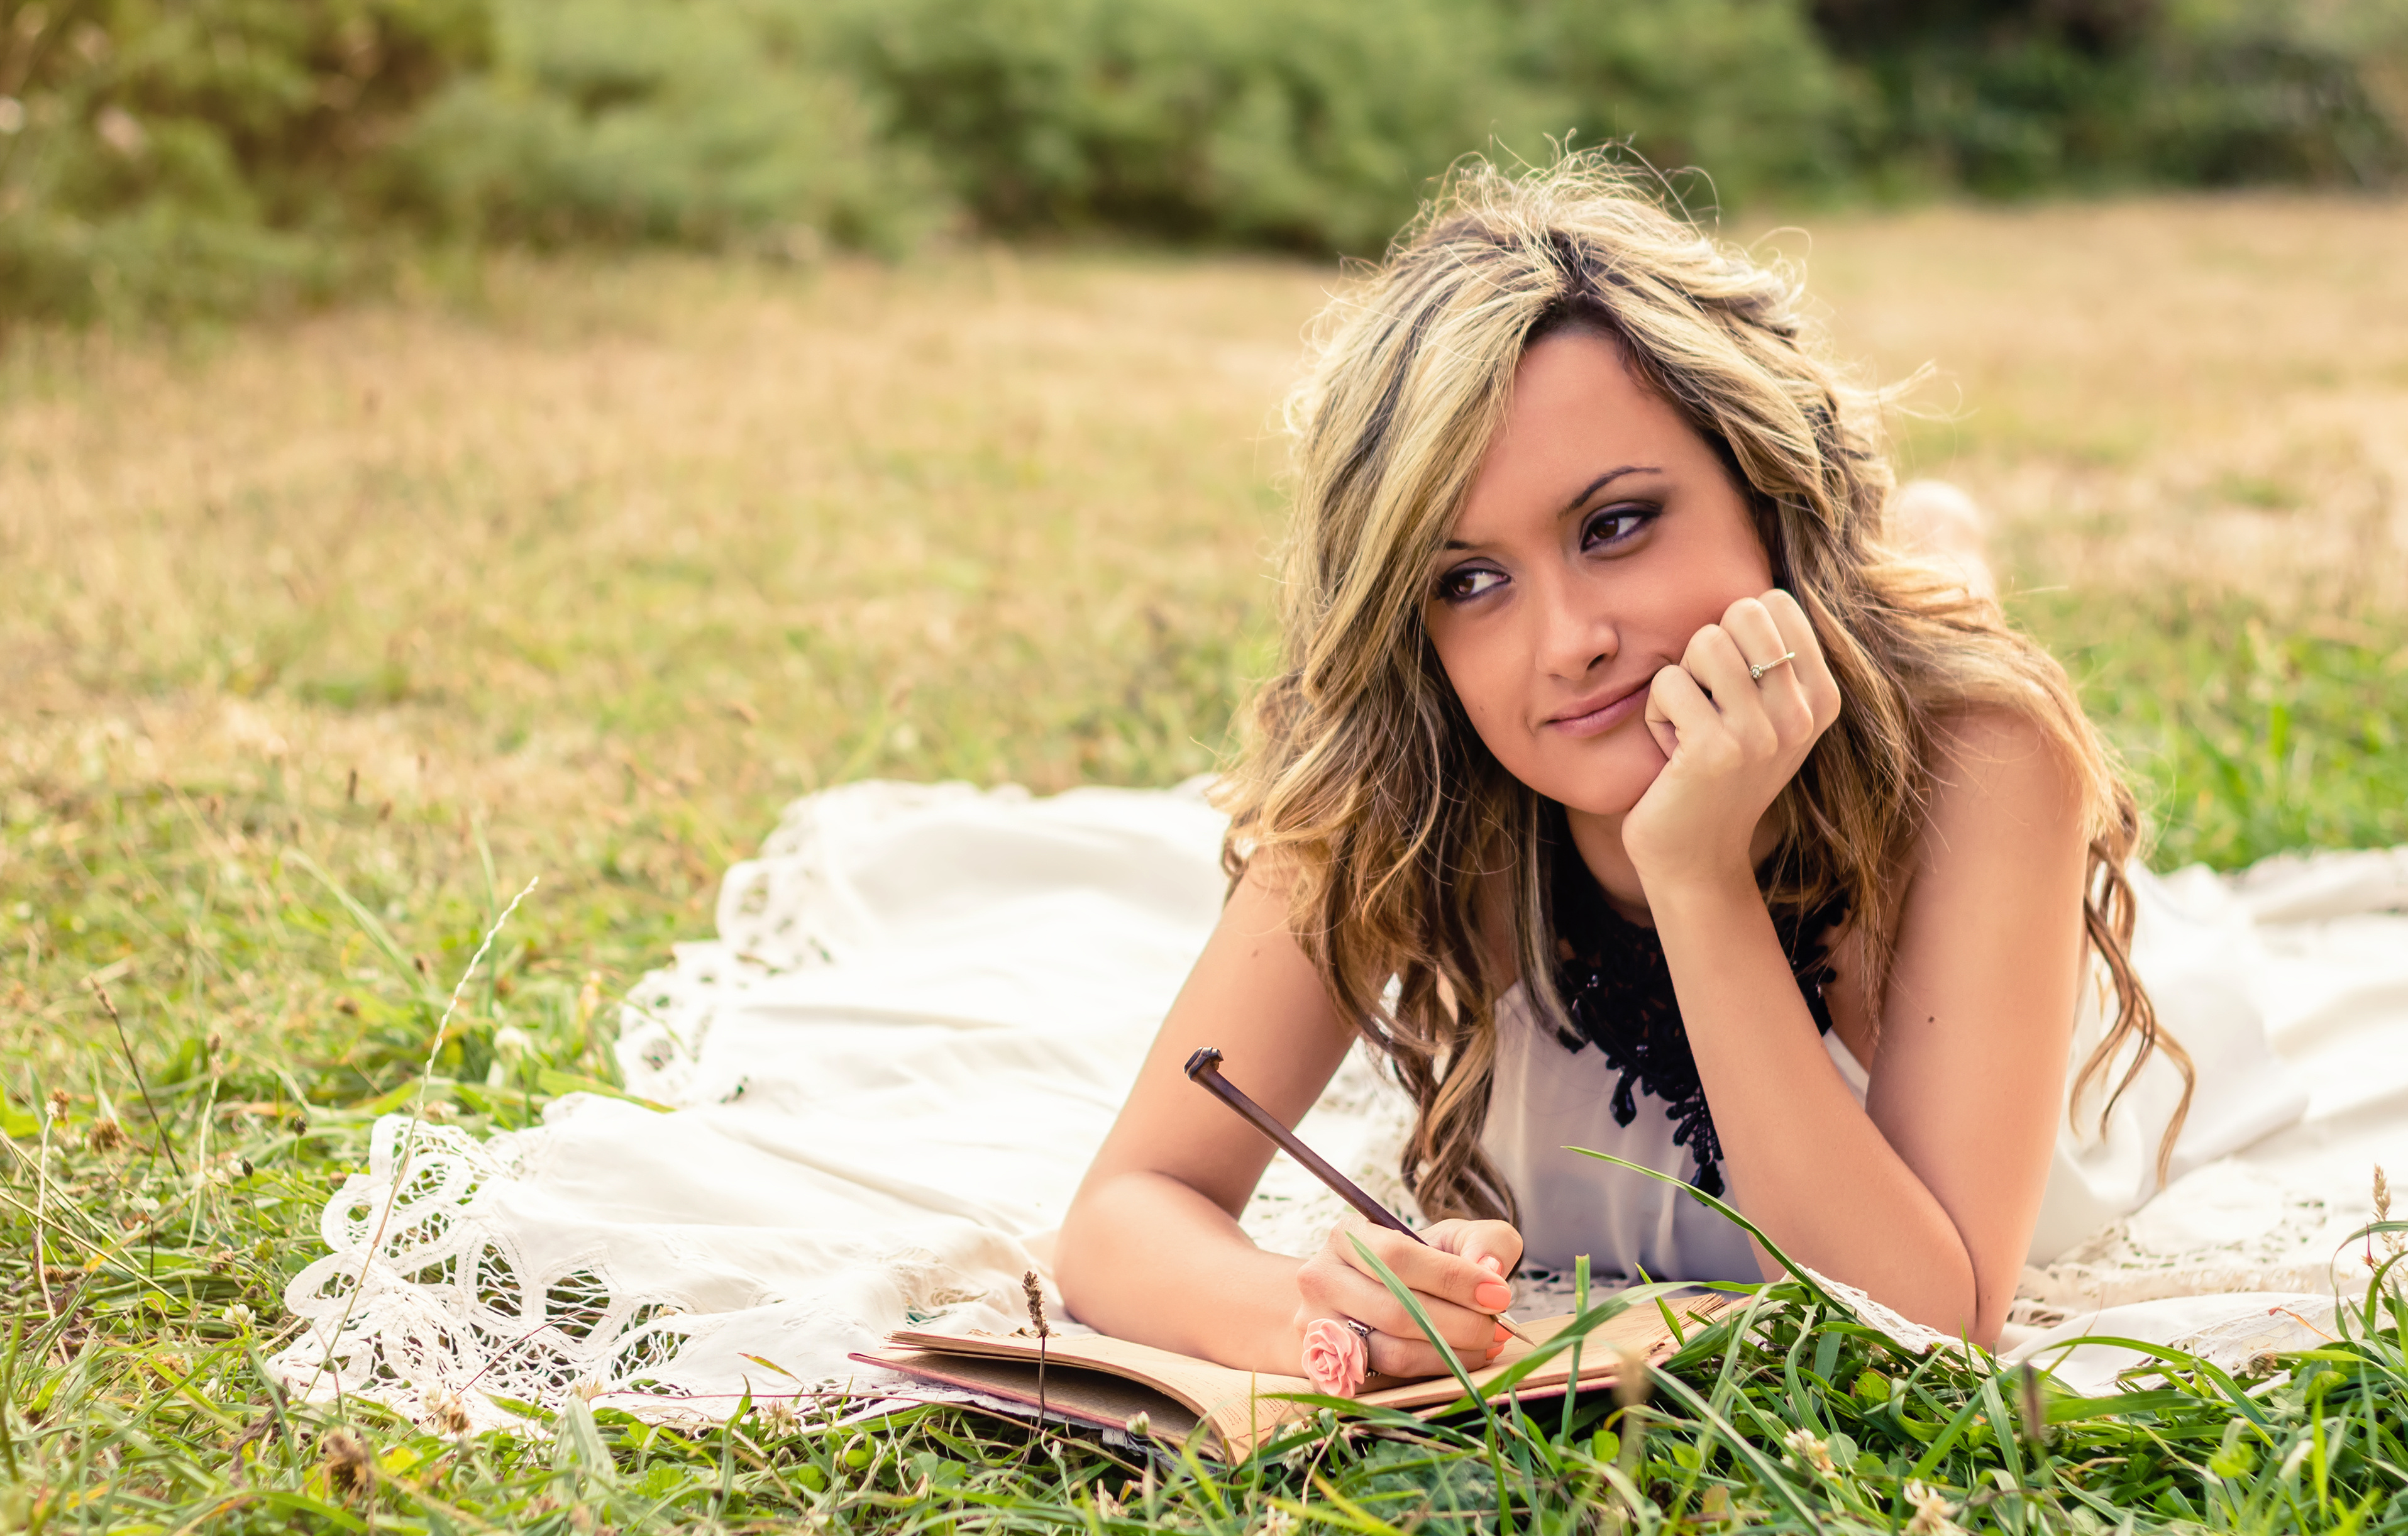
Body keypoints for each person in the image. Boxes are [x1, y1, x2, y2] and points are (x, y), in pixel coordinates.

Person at [1054, 157, 2192, 1378]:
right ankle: (1915, 546)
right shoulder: (1402, 785)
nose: (1568, 643)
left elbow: (1924, 1319)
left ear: (1761, 488)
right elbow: (1125, 1209)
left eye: (1614, 524)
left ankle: (1936, 553)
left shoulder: (1980, 758)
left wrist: (1695, 870)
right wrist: (1313, 1317)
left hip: (1960, 873)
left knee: (1943, 639)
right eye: (1467, 580)